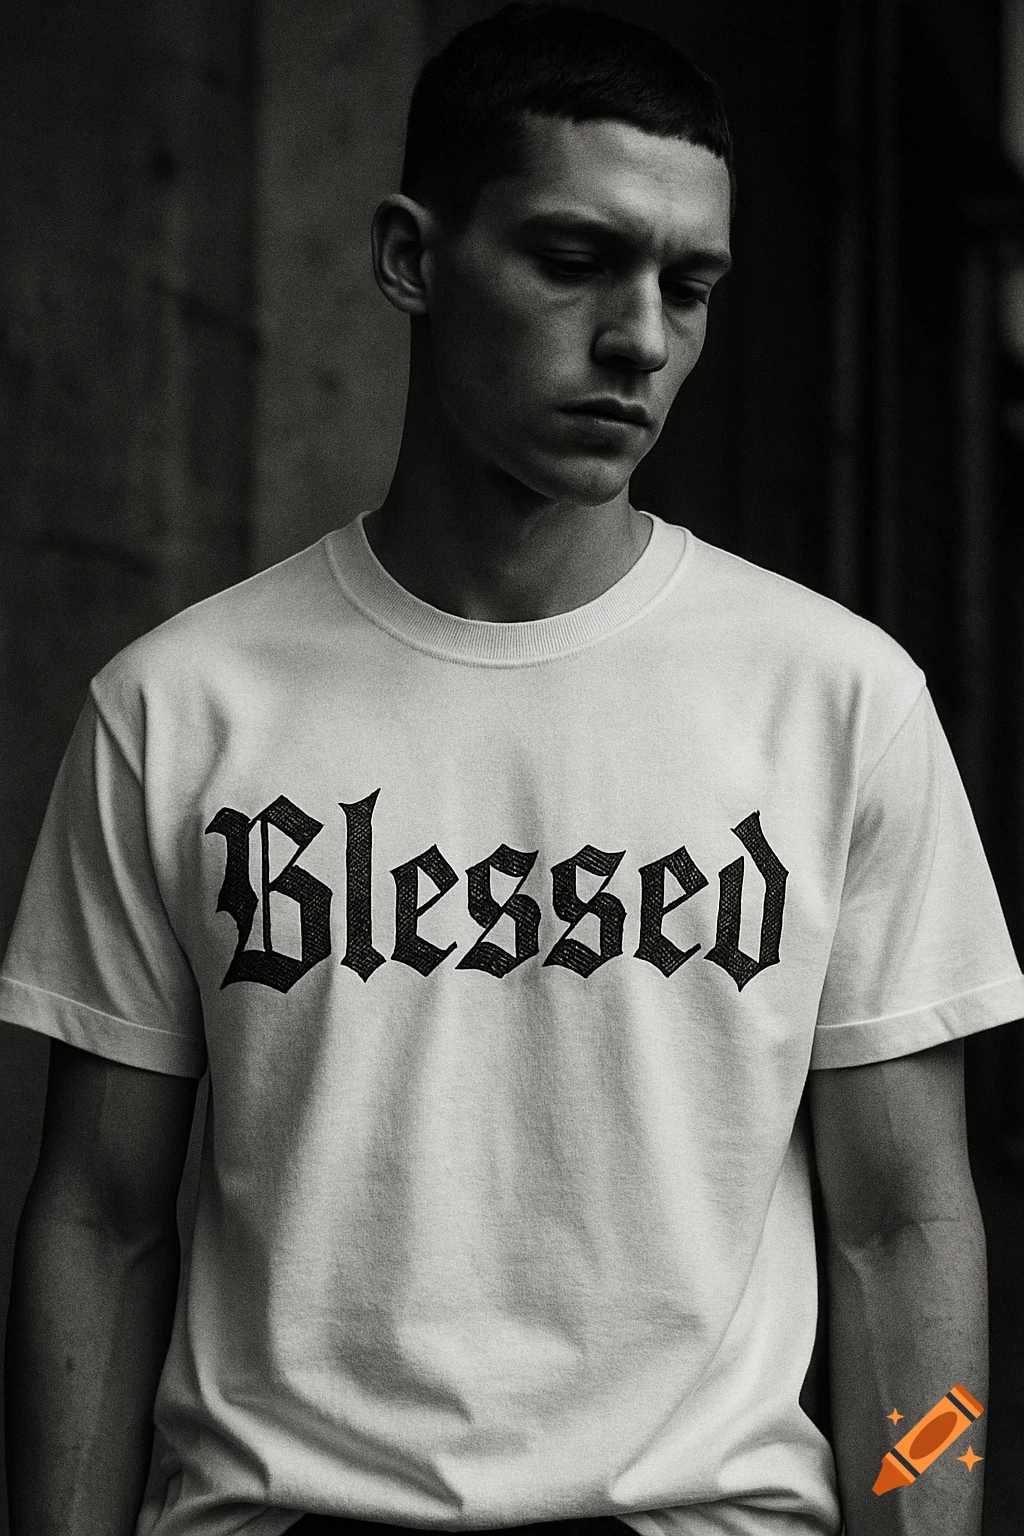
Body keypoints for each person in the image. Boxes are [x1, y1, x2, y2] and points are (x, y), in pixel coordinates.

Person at [2, 5, 1022, 1536]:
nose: (642, 339)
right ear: (413, 257)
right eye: (574, 260)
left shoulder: (838, 698)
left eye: (692, 286)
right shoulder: (179, 706)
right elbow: (99, 1217)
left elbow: (903, 1229)